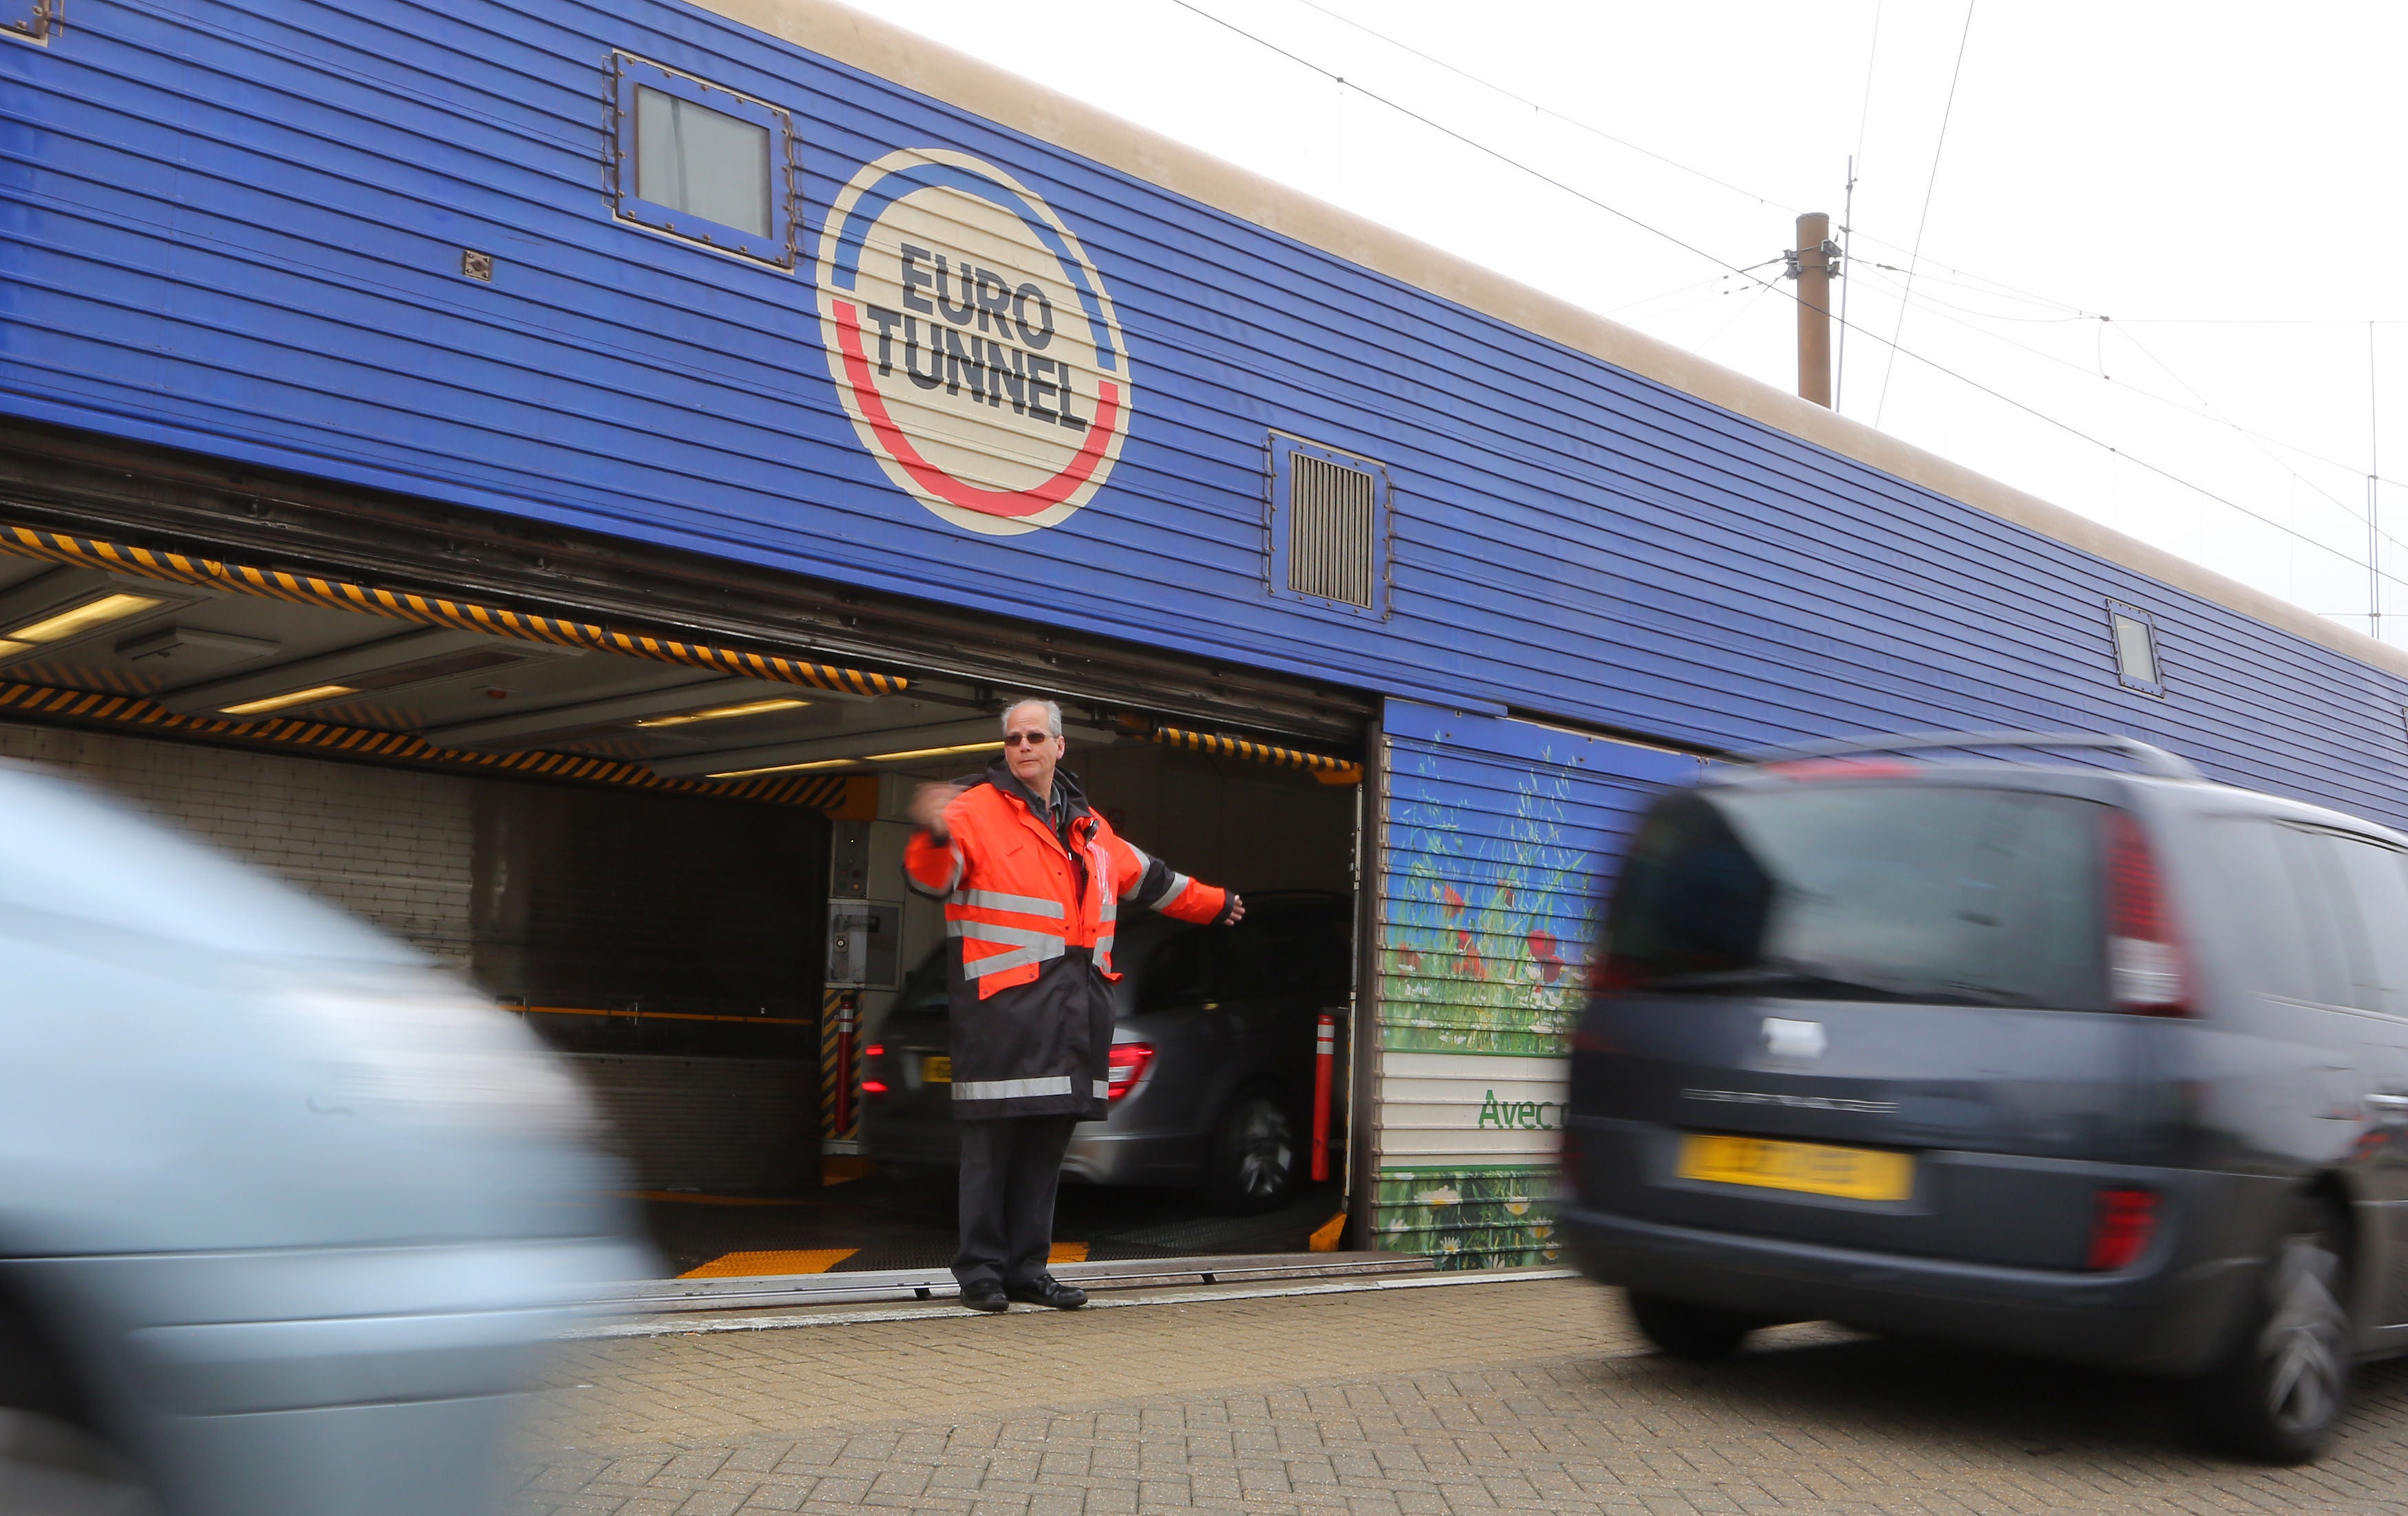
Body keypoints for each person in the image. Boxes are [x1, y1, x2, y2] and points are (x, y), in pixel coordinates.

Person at [903, 697, 1243, 1312]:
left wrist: (1215, 904)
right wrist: (932, 829)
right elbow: (933, 877)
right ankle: (981, 1272)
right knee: (990, 1154)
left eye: (1035, 737)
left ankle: (1029, 1269)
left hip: (1072, 1018)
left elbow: (1152, 879)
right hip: (1001, 1018)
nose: (1023, 747)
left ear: (1060, 747)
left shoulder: (1088, 827)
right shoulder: (972, 809)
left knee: (1042, 1156)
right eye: (1013, 739)